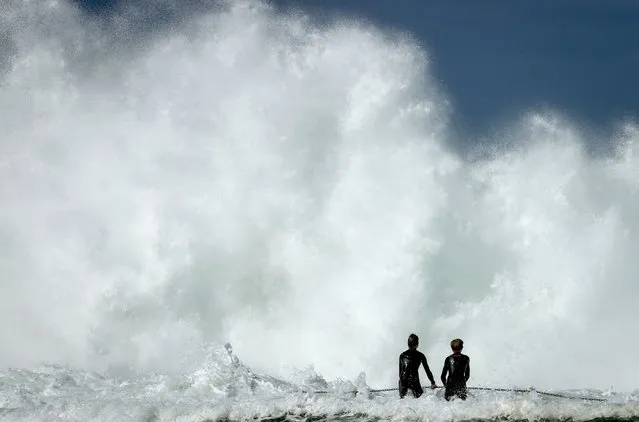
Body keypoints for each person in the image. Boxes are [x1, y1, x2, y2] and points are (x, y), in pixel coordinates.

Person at [398, 333, 437, 398]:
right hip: (414, 380)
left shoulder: (402, 355)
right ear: (417, 344)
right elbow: (427, 370)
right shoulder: (420, 355)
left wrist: (402, 384)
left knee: (402, 400)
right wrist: (432, 383)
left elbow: (400, 372)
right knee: (419, 399)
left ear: (408, 344)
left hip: (403, 381)